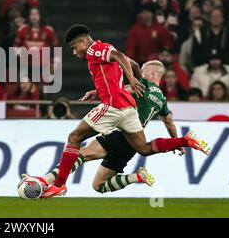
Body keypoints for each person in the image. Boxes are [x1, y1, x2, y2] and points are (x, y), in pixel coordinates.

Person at [43, 24, 210, 198]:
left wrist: (131, 79)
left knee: (74, 137)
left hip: (113, 106)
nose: (74, 52)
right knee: (144, 149)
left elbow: (119, 56)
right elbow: (134, 65)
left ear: (85, 41)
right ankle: (186, 141)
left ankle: (59, 185)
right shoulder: (160, 96)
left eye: (74, 47)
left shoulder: (94, 50)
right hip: (128, 109)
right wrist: (133, 81)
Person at [29, 60, 184, 196]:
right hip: (132, 146)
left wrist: (115, 56)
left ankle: (46, 180)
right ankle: (136, 177)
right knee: (99, 186)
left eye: (144, 69)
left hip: (120, 134)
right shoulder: (161, 99)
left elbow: (122, 90)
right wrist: (176, 142)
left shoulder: (143, 85)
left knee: (80, 153)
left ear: (153, 72)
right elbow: (169, 122)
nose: (142, 71)